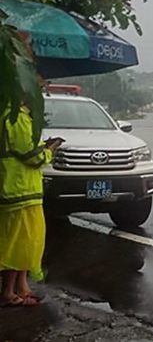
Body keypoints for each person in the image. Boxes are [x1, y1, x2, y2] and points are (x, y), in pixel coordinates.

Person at [0, 104, 62, 307]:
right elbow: (31, 156)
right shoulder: (16, 116)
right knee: (18, 243)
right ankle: (8, 292)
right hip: (18, 191)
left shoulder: (20, 115)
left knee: (29, 242)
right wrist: (49, 150)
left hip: (25, 192)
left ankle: (22, 286)